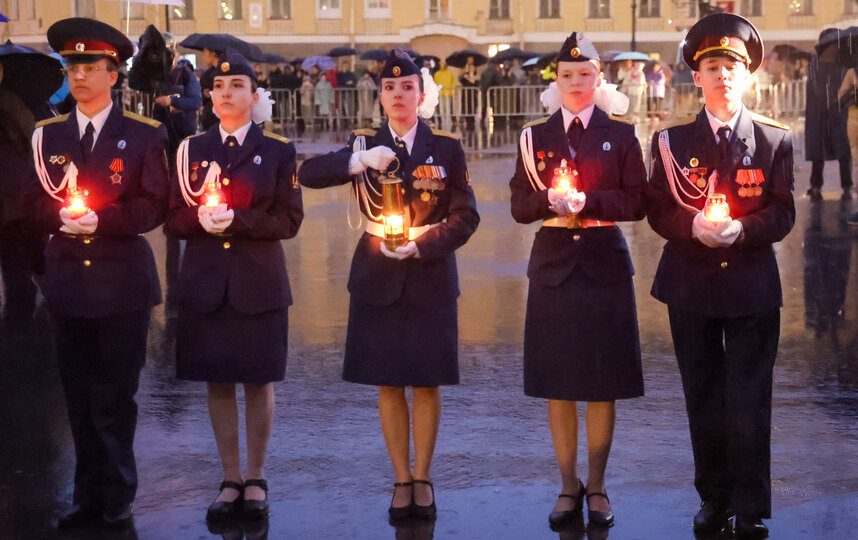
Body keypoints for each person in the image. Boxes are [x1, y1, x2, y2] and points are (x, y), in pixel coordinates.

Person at [298, 49, 479, 521]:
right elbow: (307, 175)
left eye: (407, 88)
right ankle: (401, 478)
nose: (398, 95)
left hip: (429, 271)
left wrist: (426, 244)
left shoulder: (446, 147)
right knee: (388, 382)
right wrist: (356, 161)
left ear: (422, 95)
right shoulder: (364, 143)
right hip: (378, 273)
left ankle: (424, 475)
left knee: (426, 381)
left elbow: (466, 215)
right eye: (390, 88)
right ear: (380, 96)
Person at [646, 13, 795, 539]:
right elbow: (657, 210)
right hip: (691, 284)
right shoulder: (670, 141)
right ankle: (714, 499)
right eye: (713, 65)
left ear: (749, 75)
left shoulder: (775, 140)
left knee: (751, 398)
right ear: (697, 76)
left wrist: (743, 232)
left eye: (733, 65)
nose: (723, 74)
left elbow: (782, 212)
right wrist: (692, 227)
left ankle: (751, 507)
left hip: (753, 285)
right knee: (703, 397)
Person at [31, 17, 170, 528]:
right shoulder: (48, 136)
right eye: (73, 66)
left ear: (114, 74)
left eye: (91, 66)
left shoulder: (140, 135)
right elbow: (33, 201)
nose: (80, 75)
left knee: (114, 394)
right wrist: (60, 217)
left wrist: (102, 220)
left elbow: (154, 204)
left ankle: (117, 493)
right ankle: (85, 492)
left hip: (121, 285)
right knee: (76, 393)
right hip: (68, 283)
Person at [509, 32, 645, 530]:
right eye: (567, 75)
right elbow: (518, 206)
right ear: (556, 82)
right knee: (560, 384)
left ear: (598, 78)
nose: (576, 83)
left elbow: (637, 202)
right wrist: (550, 201)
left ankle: (599, 485)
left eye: (585, 74)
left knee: (602, 383)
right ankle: (568, 484)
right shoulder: (534, 138)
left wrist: (590, 203)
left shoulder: (622, 135)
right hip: (553, 268)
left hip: (604, 264)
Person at [164, 50, 303, 523]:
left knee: (257, 380)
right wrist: (201, 219)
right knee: (218, 381)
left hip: (257, 281)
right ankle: (229, 477)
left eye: (237, 86)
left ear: (253, 95)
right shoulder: (189, 149)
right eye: (219, 87)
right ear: (208, 96)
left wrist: (236, 220)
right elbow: (171, 217)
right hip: (205, 281)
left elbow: (289, 220)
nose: (227, 93)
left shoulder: (280, 150)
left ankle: (257, 476)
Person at [805, 29, 851, 202]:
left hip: (838, 113)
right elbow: (813, 90)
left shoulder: (844, 65)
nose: (833, 48)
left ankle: (847, 184)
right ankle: (816, 185)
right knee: (818, 149)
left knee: (842, 147)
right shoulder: (815, 64)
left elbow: (847, 88)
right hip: (818, 113)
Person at [433, 59, 456, 130]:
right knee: (442, 108)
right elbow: (435, 83)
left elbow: (453, 82)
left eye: (442, 64)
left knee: (448, 108)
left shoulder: (449, 73)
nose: (441, 66)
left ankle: (448, 121)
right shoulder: (437, 74)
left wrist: (452, 91)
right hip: (440, 93)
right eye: (440, 65)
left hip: (448, 93)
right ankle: (443, 121)